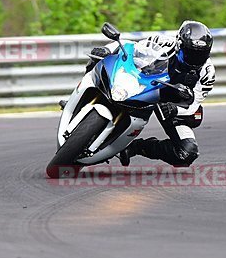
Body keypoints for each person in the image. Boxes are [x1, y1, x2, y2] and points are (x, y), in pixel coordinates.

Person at [87, 21, 215, 167]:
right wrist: (108, 49)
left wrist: (175, 109)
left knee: (187, 153)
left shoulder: (207, 72)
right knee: (99, 59)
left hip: (172, 104)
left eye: (200, 55)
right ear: (179, 45)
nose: (195, 58)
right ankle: (85, 95)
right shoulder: (163, 42)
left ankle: (134, 147)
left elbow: (195, 103)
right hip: (145, 84)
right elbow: (131, 47)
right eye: (191, 53)